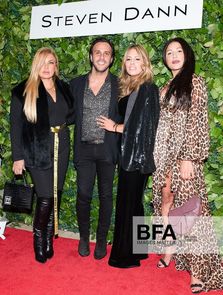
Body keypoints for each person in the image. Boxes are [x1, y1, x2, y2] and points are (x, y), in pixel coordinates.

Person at [152, 37, 223, 293]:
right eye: (169, 52)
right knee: (165, 205)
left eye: (178, 51)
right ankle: (169, 250)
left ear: (187, 55)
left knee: (191, 214)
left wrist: (189, 157)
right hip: (163, 157)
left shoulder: (195, 83)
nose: (173, 55)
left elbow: (198, 124)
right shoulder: (165, 86)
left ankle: (198, 272)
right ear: (165, 59)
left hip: (184, 157)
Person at [97, 44, 159, 268]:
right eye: (128, 59)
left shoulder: (147, 87)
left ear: (145, 63)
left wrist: (114, 127)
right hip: (131, 153)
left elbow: (143, 127)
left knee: (128, 204)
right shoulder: (131, 87)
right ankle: (137, 253)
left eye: (137, 59)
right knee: (133, 205)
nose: (132, 63)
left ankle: (125, 256)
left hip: (136, 156)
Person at [10, 47, 74, 263]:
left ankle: (48, 239)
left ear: (56, 65)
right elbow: (15, 127)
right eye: (43, 63)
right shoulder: (22, 91)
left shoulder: (64, 88)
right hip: (36, 150)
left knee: (55, 194)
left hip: (62, 146)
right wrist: (18, 157)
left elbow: (71, 115)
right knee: (45, 197)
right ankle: (38, 239)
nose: (47, 68)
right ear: (36, 65)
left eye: (51, 62)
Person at [70, 37, 119, 260]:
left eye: (106, 53)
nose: (101, 56)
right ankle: (83, 238)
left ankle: (100, 240)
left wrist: (118, 128)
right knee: (83, 195)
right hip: (84, 150)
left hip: (108, 150)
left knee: (106, 197)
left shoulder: (119, 85)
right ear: (91, 56)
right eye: (97, 52)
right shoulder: (76, 84)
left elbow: (133, 116)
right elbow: (65, 112)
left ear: (111, 59)